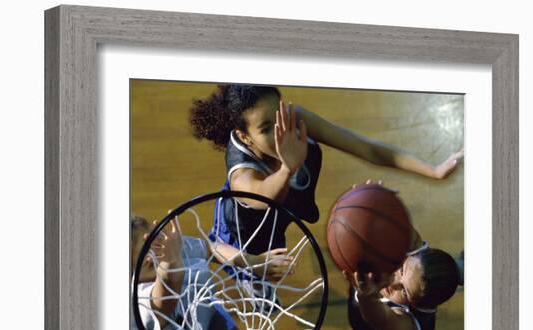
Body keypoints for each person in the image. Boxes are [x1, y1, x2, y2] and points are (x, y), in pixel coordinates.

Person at [190, 84, 464, 258]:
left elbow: (367, 149)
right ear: (245, 137)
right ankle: (256, 290)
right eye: (265, 128)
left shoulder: (294, 120)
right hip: (249, 231)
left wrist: (433, 170)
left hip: (290, 203)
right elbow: (264, 194)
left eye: (280, 115)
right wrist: (287, 167)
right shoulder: (242, 176)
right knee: (260, 276)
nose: (280, 131)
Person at [130, 215, 293, 330]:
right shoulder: (138, 302)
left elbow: (210, 248)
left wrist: (254, 262)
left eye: (152, 246)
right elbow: (163, 298)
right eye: (146, 262)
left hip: (201, 315)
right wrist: (170, 263)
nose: (153, 256)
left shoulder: (165, 251)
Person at [345, 244, 462, 330]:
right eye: (401, 270)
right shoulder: (409, 257)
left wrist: (366, 295)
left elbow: (381, 319)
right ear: (408, 254)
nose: (393, 283)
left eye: (405, 292)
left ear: (419, 305)